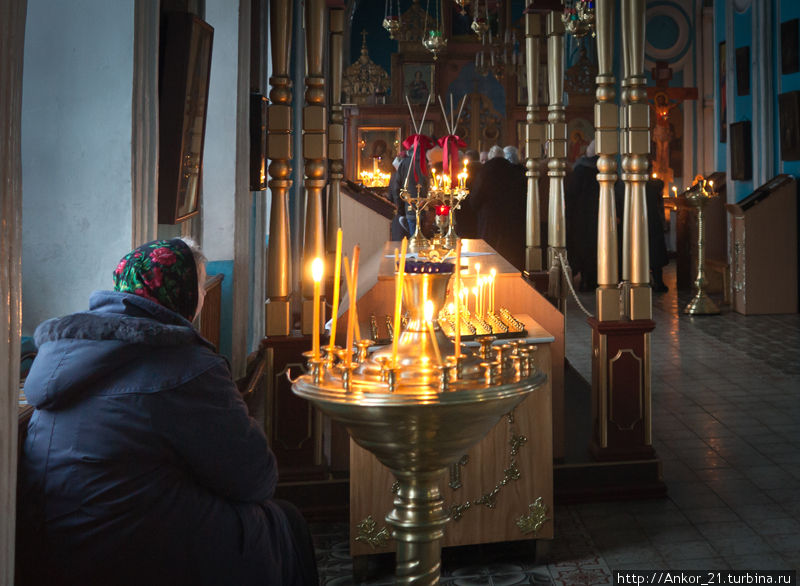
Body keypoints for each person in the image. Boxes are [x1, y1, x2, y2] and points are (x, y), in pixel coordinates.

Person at [18, 238, 318, 586]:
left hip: (60, 550)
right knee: (286, 523)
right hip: (138, 553)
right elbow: (256, 477)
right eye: (201, 288)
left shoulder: (64, 355)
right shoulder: (186, 364)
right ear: (185, 295)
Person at [468, 145, 527, 270]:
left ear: (489, 157)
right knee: (508, 253)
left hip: (489, 219)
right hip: (511, 218)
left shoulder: (485, 171)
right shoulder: (515, 170)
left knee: (489, 252)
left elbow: (476, 198)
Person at [564, 139, 599, 290]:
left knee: (583, 248)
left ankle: (585, 279)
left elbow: (571, 195)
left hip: (580, 217)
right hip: (598, 216)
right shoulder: (605, 168)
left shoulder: (579, 170)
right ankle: (594, 279)